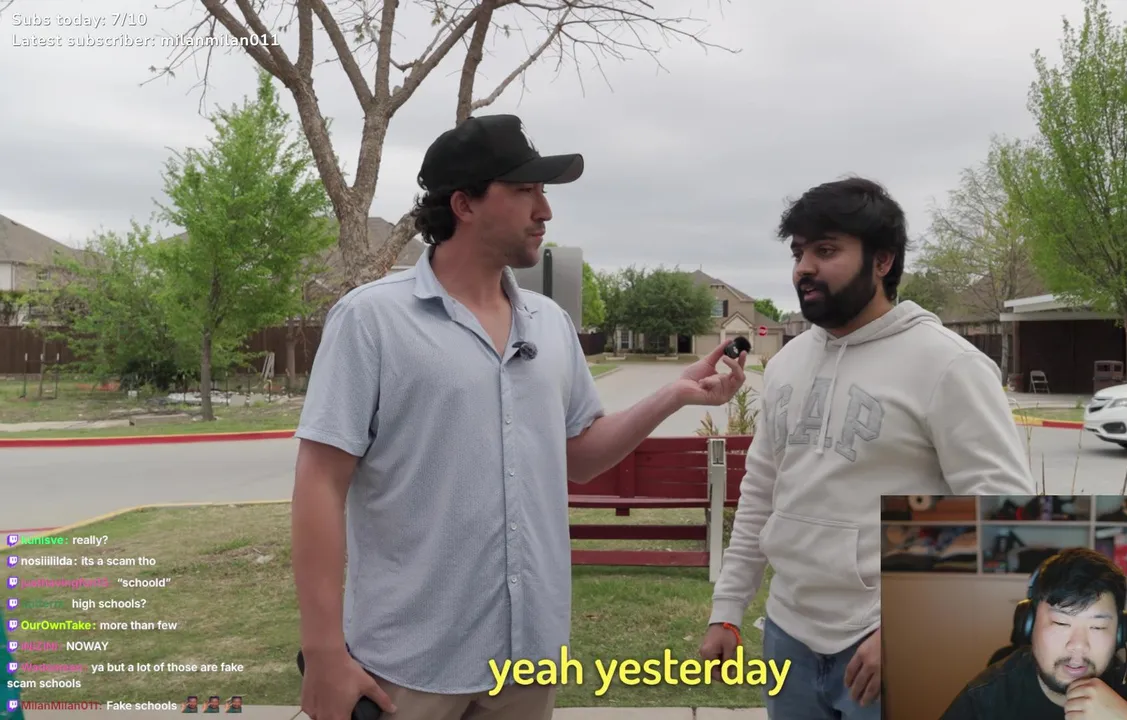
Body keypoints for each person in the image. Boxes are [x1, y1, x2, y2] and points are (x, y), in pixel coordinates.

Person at [291, 113, 748, 720]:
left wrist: (674, 394)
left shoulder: (550, 323)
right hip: (407, 664)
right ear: (464, 204)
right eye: (525, 190)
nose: (545, 210)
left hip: (528, 660)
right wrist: (324, 651)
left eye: (544, 192)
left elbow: (580, 456)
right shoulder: (371, 320)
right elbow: (320, 482)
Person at [699, 177, 1036, 719]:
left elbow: (1002, 513)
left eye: (826, 250)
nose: (804, 267)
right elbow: (761, 493)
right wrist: (728, 608)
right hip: (787, 635)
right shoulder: (785, 365)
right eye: (798, 252)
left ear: (882, 260)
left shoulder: (948, 365)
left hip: (884, 644)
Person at [939, 548, 1127, 719]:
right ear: (1028, 625)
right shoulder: (985, 699)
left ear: (1120, 633)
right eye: (1061, 623)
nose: (1078, 645)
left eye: (1098, 627)